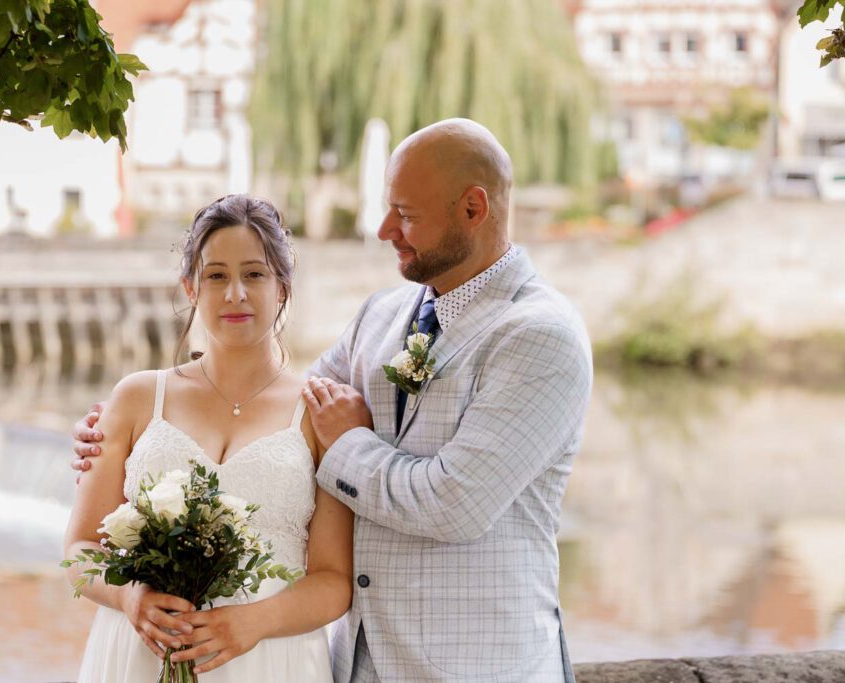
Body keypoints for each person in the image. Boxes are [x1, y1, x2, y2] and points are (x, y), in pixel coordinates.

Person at [74, 118, 592, 682]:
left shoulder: (539, 334)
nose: (383, 228)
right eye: (216, 276)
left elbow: (455, 503)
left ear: (473, 208)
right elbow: (281, 406)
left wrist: (344, 445)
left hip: (479, 664)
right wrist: (112, 436)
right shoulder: (383, 315)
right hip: (362, 663)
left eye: (407, 214)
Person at [63, 194, 354, 682]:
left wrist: (253, 624)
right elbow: (79, 548)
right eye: (216, 275)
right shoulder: (136, 397)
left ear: (282, 288)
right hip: (141, 653)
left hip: (268, 660)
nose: (235, 293)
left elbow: (333, 581)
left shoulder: (317, 414)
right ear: (191, 287)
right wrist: (127, 596)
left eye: (255, 275)